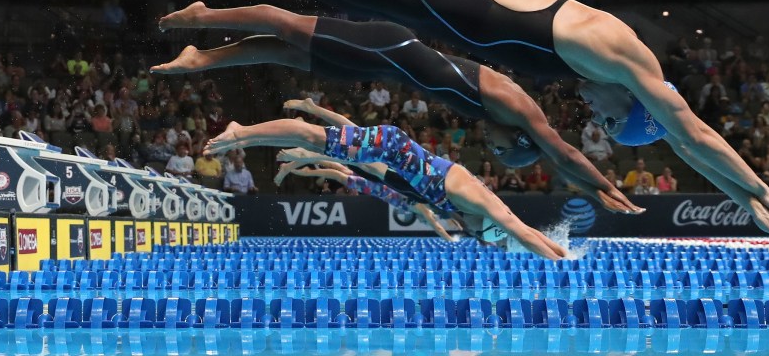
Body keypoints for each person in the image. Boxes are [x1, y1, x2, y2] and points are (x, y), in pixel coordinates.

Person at [63, 0, 769, 245]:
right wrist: (755, 192)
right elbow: (690, 132)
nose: (594, 111)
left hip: (407, 3)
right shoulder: (618, 55)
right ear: (637, 109)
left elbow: (681, 132)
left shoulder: (609, 68)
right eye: (613, 119)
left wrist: (747, 193)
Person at [150, 4, 637, 212]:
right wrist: (603, 188)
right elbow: (563, 155)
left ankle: (202, 57)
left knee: (283, 49)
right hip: (389, 49)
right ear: (521, 139)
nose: (492, 144)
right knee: (286, 27)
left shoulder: (504, 115)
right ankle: (204, 17)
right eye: (505, 150)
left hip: (383, 62)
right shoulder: (522, 112)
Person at [204, 116, 566, 259]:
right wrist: (563, 263)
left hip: (391, 157)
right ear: (480, 221)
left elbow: (521, 232)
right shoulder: (476, 200)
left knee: (318, 145)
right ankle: (242, 132)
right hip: (391, 147)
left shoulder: (465, 208)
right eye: (474, 232)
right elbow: (518, 228)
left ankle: (267, 141)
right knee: (311, 135)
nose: (466, 232)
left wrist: (559, 247)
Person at [277, 157, 458, 243]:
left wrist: (455, 223)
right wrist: (450, 240)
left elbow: (440, 221)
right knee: (338, 170)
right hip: (374, 185)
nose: (425, 221)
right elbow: (438, 227)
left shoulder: (421, 205)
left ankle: (301, 164)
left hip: (373, 187)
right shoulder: (422, 208)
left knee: (339, 169)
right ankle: (302, 163)